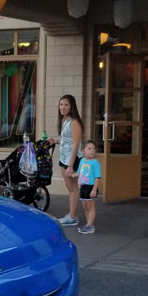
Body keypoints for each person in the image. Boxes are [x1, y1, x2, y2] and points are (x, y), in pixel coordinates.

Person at [52, 94, 83, 226]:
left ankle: (72, 216)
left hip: (72, 159)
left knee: (73, 187)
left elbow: (76, 144)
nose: (63, 107)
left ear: (72, 107)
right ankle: (71, 214)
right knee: (69, 187)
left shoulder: (74, 122)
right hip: (64, 157)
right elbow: (67, 140)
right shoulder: (64, 121)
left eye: (66, 105)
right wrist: (56, 141)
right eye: (61, 104)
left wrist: (71, 166)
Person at [76, 140, 102, 234]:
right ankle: (88, 224)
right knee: (85, 207)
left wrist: (94, 190)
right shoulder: (82, 161)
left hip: (91, 187)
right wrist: (77, 180)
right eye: (89, 149)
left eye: (93, 149)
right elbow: (80, 173)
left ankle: (90, 226)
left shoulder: (95, 163)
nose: (92, 151)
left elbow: (97, 177)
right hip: (83, 187)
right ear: (83, 151)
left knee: (91, 208)